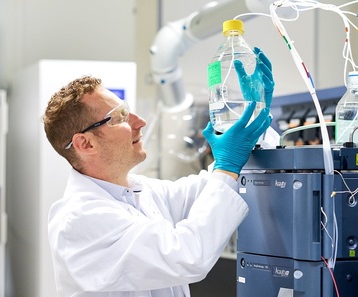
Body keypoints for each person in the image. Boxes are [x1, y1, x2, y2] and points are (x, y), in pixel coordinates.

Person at [43, 47, 274, 297]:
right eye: (119, 117)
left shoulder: (141, 191)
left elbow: (216, 185)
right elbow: (186, 255)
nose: (139, 121)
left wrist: (255, 124)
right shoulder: (80, 219)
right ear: (85, 144)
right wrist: (227, 164)